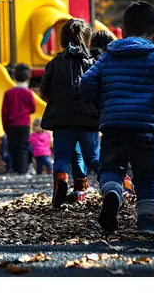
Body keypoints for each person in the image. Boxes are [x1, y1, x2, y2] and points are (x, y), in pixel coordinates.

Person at [81, 1, 154, 234]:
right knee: (147, 175)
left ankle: (113, 193)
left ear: (123, 32)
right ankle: (146, 221)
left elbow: (87, 82)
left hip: (114, 126)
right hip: (146, 128)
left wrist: (101, 106)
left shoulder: (108, 56)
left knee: (111, 168)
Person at [40, 19, 100, 208]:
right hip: (88, 119)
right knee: (93, 156)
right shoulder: (93, 63)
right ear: (87, 40)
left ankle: (60, 180)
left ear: (62, 40)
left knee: (62, 157)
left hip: (62, 119)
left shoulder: (54, 63)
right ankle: (114, 183)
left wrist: (57, 100)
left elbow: (45, 89)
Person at [2, 63, 36, 174]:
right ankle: (23, 170)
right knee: (23, 147)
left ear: (14, 77)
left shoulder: (8, 93)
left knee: (13, 147)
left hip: (12, 124)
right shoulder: (28, 93)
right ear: (28, 78)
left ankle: (16, 169)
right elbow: (33, 108)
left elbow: (4, 112)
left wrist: (5, 126)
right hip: (24, 124)